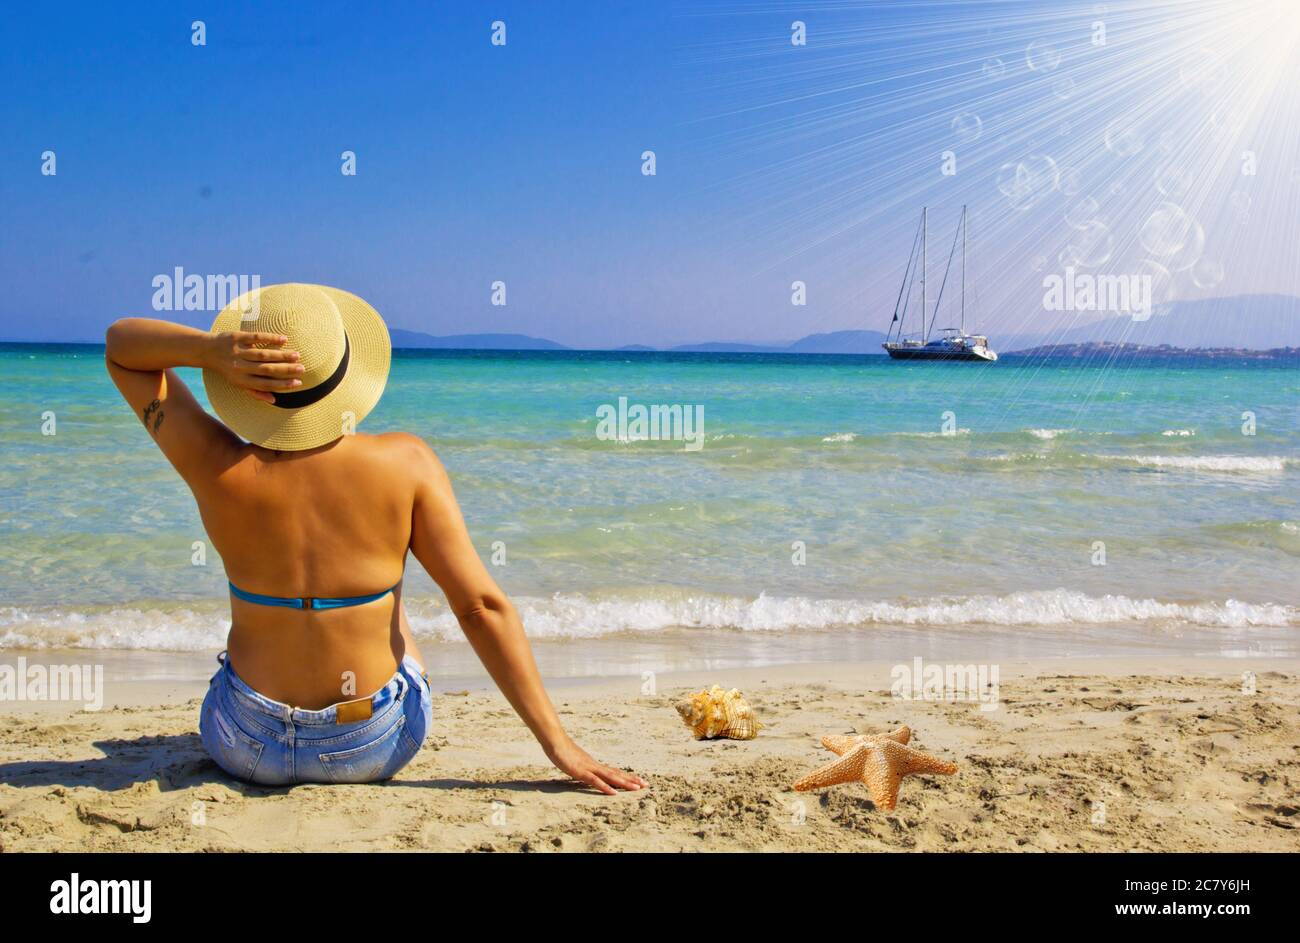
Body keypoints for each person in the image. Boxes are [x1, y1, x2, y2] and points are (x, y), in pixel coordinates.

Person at [104, 282, 645, 793]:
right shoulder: (406, 463)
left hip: (244, 743)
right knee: (386, 593)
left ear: (244, 386)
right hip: (372, 743)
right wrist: (559, 745)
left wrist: (210, 351)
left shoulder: (212, 461)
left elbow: (122, 347)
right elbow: (480, 606)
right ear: (347, 379)